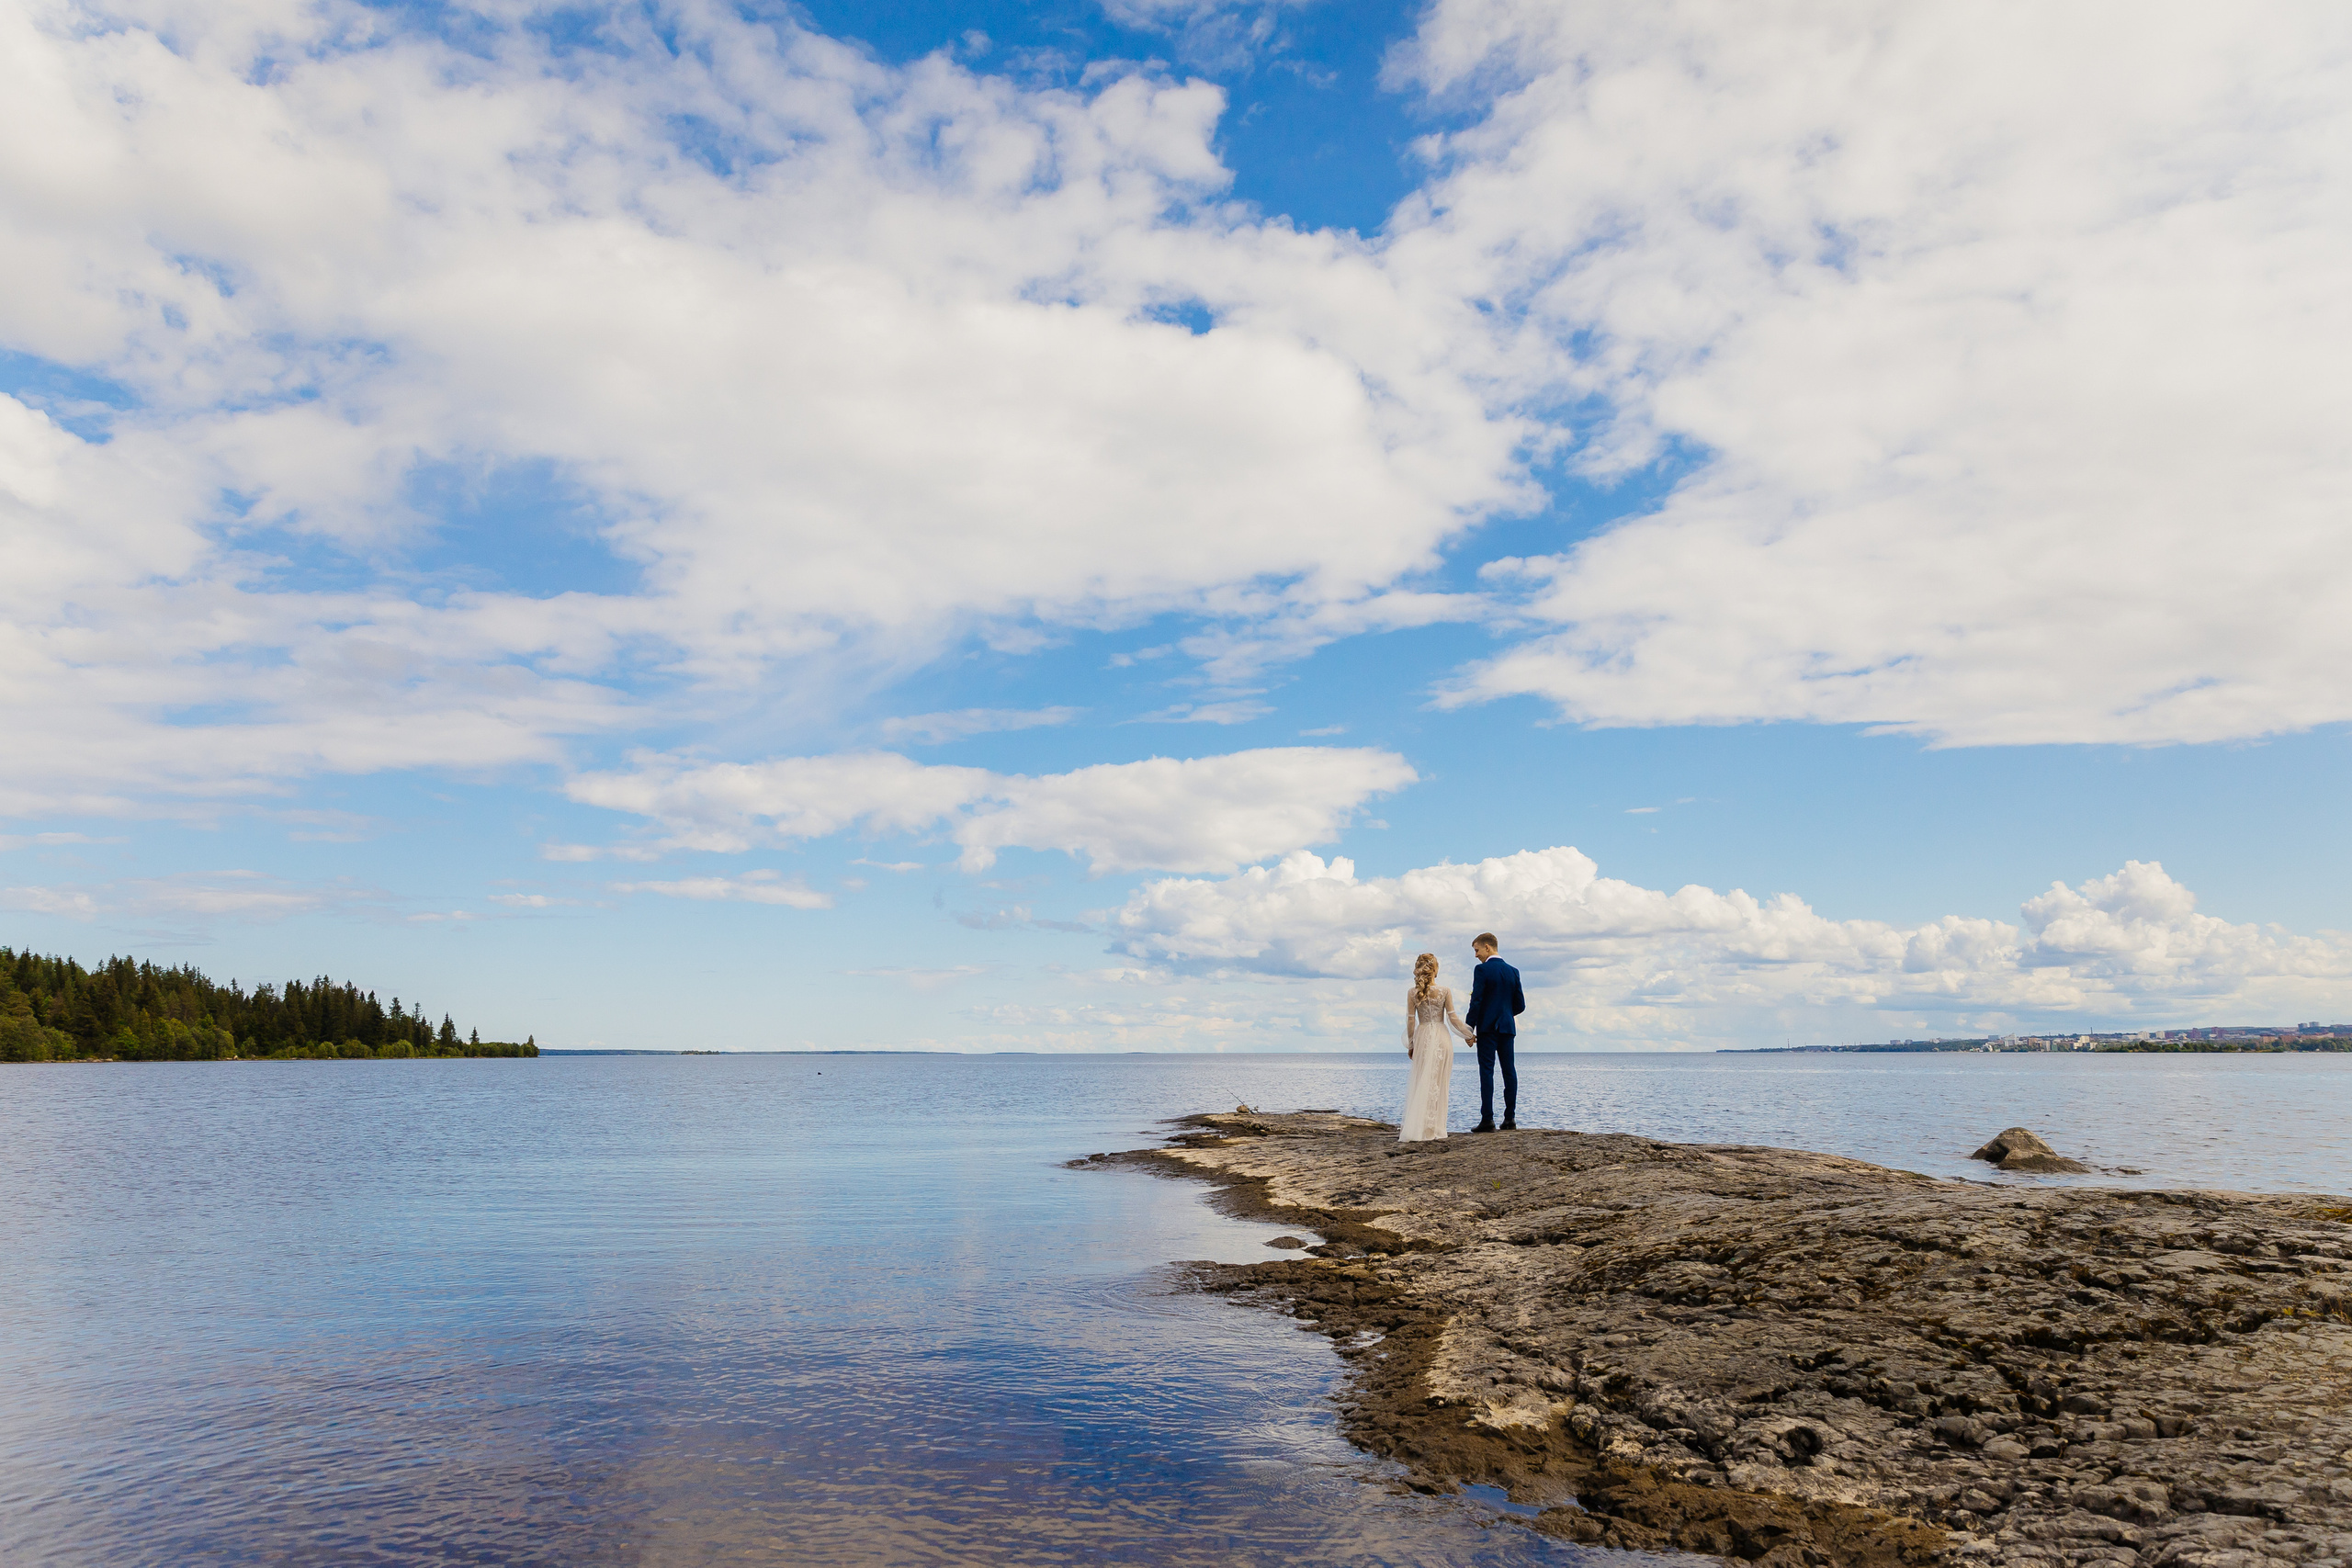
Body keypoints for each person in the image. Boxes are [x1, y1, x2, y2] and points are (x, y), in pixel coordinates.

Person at [1399, 952, 1475, 1142]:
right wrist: (1469, 1035)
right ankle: (1435, 1129)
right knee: (1439, 1082)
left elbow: (1410, 1022)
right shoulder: (1445, 991)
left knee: (1422, 1080)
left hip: (1423, 1036)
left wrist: (1411, 1044)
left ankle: (1421, 1128)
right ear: (1435, 970)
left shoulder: (1411, 992)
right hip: (1441, 1037)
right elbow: (1453, 1019)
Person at [1464, 932, 1524, 1132]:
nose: (1476, 955)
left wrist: (1469, 1027)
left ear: (1487, 947)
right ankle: (1510, 1119)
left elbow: (1477, 1000)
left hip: (1488, 1028)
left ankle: (1487, 1119)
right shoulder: (1513, 971)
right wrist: (1505, 1013)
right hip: (1507, 1028)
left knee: (1487, 1072)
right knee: (1509, 1071)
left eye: (1477, 950)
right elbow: (1520, 1005)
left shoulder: (1482, 970)